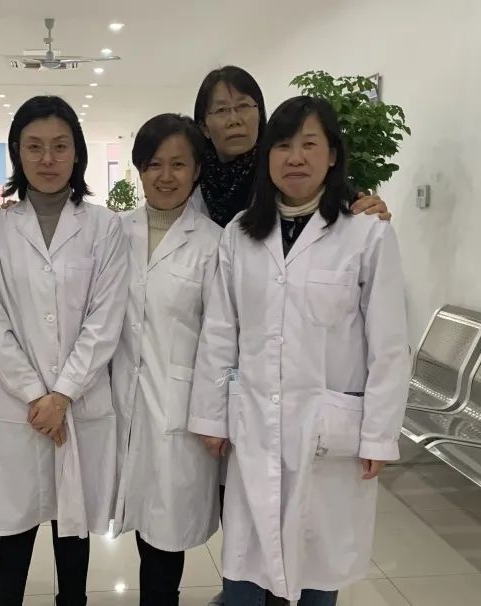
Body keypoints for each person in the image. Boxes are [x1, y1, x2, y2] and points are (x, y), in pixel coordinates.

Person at [188, 96, 410, 606]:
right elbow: (220, 332)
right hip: (254, 423)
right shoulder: (239, 234)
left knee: (316, 565)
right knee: (245, 568)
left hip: (327, 429)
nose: (295, 157)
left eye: (310, 144)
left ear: (332, 155)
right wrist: (211, 417)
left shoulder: (367, 234)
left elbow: (389, 343)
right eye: (283, 145)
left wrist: (379, 435)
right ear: (267, 156)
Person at [0, 95, 129, 606]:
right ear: (17, 152)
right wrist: (37, 395)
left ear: (77, 153)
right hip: (19, 404)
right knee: (14, 527)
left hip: (78, 401)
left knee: (73, 527)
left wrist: (62, 394)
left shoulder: (105, 227)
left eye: (60, 146)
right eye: (34, 146)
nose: (47, 158)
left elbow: (105, 320)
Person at [111, 114, 222, 606]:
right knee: (133, 515)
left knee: (165, 529)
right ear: (139, 169)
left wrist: (215, 415)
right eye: (154, 164)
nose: (166, 175)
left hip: (179, 406)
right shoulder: (114, 232)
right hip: (119, 400)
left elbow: (222, 339)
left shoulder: (215, 243)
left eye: (179, 164)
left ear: (197, 170)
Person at [193, 65, 391, 227]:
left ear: (260, 114)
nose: (234, 120)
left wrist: (369, 209)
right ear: (204, 126)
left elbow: (345, 199)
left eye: (243, 106)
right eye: (221, 110)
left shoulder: (282, 168)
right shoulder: (192, 175)